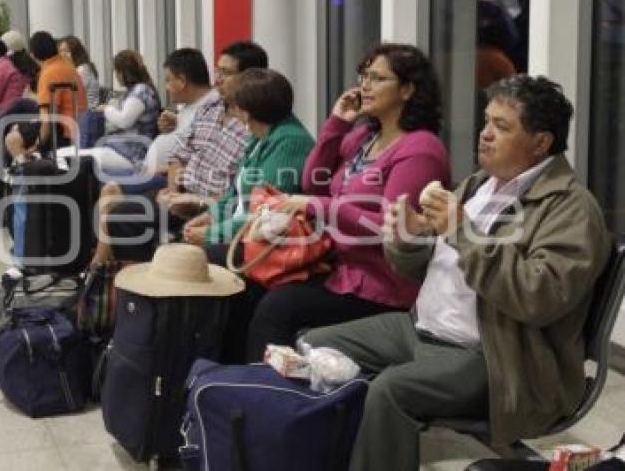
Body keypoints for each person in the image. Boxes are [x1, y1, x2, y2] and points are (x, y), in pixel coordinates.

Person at [303, 75, 611, 471]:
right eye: (486, 122)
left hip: (497, 357)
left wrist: (461, 230)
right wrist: (409, 236)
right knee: (315, 346)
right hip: (422, 329)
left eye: (501, 127)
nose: (484, 135)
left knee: (390, 392)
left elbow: (539, 297)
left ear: (541, 142)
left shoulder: (571, 209)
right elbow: (419, 270)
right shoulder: (479, 185)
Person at [244, 42, 450, 362]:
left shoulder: (420, 149)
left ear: (408, 90)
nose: (365, 85)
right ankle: (229, 389)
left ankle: (266, 400)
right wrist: (337, 124)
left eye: (378, 78)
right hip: (337, 268)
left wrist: (318, 206)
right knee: (250, 286)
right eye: (364, 76)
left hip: (380, 286)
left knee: (279, 308)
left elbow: (389, 225)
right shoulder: (364, 137)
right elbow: (314, 181)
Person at [182, 68, 316, 362]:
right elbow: (236, 195)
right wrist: (212, 216)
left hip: (269, 242)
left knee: (195, 261)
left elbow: (266, 215)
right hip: (247, 233)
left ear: (249, 110)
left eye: (235, 106)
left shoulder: (290, 142)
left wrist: (213, 234)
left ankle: (213, 357)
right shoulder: (259, 138)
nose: (233, 113)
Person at [99, 48, 248, 264]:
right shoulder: (209, 111)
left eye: (225, 73)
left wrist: (194, 201)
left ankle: (107, 274)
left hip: (202, 199)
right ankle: (113, 276)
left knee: (114, 197)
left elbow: (236, 190)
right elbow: (179, 153)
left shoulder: (244, 123)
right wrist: (174, 192)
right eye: (217, 72)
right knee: (116, 203)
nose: (217, 80)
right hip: (178, 186)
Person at [29, 31, 86, 152]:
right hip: (78, 125)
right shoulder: (68, 66)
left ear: (33, 54)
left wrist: (37, 145)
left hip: (62, 131)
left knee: (12, 139)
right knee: (21, 105)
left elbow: (47, 118)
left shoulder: (49, 73)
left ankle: (20, 166)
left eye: (67, 50)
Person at [58, 35, 101, 108]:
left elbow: (70, 96)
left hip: (85, 114)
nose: (63, 55)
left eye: (67, 51)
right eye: (61, 51)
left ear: (76, 52)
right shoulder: (73, 69)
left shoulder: (82, 70)